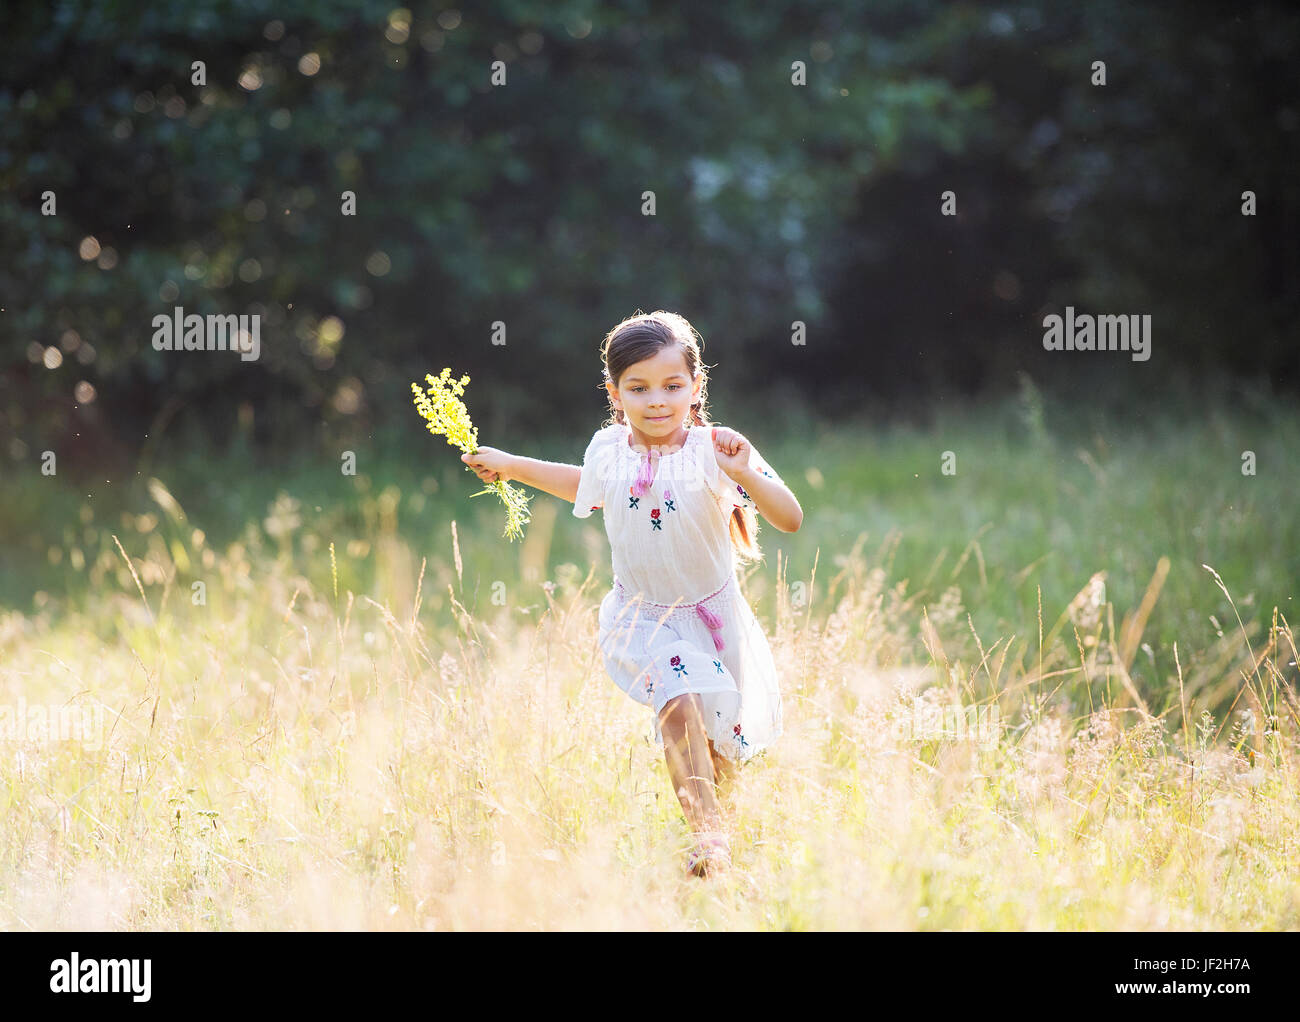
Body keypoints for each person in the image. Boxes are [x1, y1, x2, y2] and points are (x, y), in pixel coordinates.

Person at [461, 310, 803, 877]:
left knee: (719, 749)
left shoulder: (715, 448)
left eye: (672, 386)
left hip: (712, 618)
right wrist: (510, 465)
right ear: (614, 392)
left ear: (696, 387)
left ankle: (728, 857)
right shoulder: (607, 449)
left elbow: (789, 518)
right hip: (640, 617)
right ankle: (708, 839)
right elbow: (585, 485)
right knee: (678, 701)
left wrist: (745, 474)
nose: (657, 401)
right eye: (638, 388)